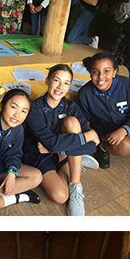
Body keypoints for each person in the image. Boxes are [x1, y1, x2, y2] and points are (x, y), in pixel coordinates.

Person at [23, 64, 99, 216]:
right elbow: (53, 142)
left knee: (72, 123)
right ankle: (76, 159)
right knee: (61, 196)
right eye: (56, 80)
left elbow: (92, 146)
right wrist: (89, 135)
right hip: (40, 154)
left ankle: (76, 185)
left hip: (59, 151)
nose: (60, 87)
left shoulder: (71, 106)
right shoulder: (35, 109)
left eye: (66, 83)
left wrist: (55, 148)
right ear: (47, 80)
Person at [77, 52, 130, 170]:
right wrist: (94, 137)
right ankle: (102, 148)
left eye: (106, 71)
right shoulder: (85, 93)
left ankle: (124, 138)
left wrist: (124, 130)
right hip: (103, 127)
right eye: (95, 71)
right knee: (125, 146)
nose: (101, 77)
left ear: (114, 72)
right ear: (90, 73)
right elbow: (83, 121)